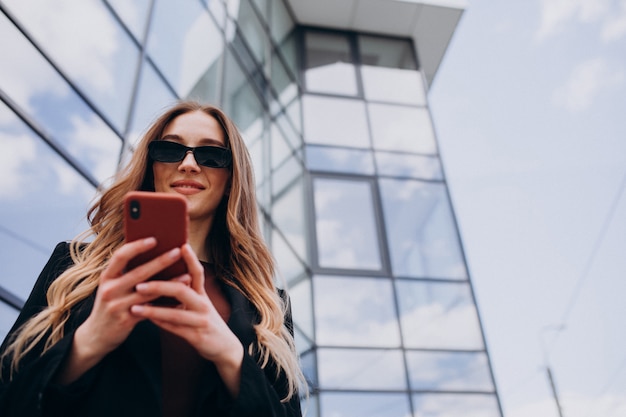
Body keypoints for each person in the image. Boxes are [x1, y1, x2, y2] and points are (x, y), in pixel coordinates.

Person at [0, 101, 304, 417]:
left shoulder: (269, 306)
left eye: (211, 155)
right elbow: (8, 395)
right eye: (170, 150)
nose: (188, 164)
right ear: (152, 166)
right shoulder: (73, 267)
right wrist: (88, 342)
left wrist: (229, 355)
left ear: (231, 179)